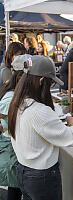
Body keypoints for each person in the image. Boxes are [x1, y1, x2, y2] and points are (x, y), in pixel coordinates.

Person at [8, 55, 73, 200]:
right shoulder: (39, 110)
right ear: (41, 81)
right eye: (51, 84)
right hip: (42, 178)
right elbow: (71, 139)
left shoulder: (17, 102)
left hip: (23, 171)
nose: (51, 88)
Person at [0, 55, 30, 200]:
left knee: (16, 187)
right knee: (14, 188)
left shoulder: (12, 90)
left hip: (13, 147)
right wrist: (4, 128)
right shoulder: (11, 96)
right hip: (11, 149)